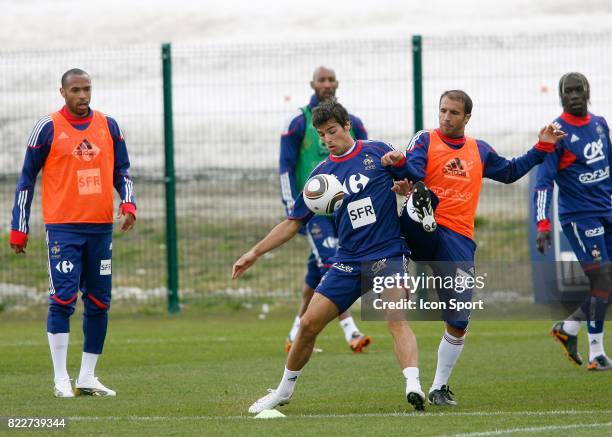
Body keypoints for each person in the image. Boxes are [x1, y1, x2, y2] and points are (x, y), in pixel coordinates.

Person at [234, 100, 427, 413]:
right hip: (348, 260)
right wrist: (254, 253)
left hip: (388, 253)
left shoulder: (377, 151)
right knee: (309, 324)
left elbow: (416, 178)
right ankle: (282, 391)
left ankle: (413, 385)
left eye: (332, 131)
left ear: (347, 125)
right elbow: (293, 221)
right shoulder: (321, 176)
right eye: (322, 135)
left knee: (394, 318)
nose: (327, 140)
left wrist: (402, 168)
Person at [383, 90, 564, 406]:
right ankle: (418, 211)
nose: (446, 117)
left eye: (454, 113)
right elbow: (411, 170)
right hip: (425, 228)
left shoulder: (478, 150)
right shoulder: (426, 140)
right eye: (442, 110)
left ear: (467, 117)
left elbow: (509, 172)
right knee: (422, 195)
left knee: (459, 320)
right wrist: (398, 166)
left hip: (458, 239)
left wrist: (542, 147)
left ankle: (439, 387)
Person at [9, 68, 137, 397]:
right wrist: (19, 228)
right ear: (62, 93)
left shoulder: (109, 126)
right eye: (76, 90)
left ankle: (87, 376)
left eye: (87, 89)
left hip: (100, 229)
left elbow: (122, 170)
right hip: (63, 229)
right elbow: (26, 179)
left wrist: (129, 203)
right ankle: (60, 378)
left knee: (98, 302)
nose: (83, 95)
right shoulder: (47, 128)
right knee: (62, 300)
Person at [279, 66, 370, 353]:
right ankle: (351, 331)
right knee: (332, 263)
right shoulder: (297, 121)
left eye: (331, 79)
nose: (327, 84)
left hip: (344, 212)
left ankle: (296, 332)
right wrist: (292, 206)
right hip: (313, 211)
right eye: (322, 80)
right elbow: (285, 167)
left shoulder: (352, 122)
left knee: (315, 272)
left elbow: (367, 161)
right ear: (312, 84)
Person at [533, 72, 611, 371]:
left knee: (607, 283)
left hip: (607, 211)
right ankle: (596, 353)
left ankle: (568, 329)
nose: (575, 95)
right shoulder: (558, 134)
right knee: (602, 279)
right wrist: (543, 225)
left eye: (579, 90)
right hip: (580, 218)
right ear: (561, 96)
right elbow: (543, 182)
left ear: (588, 91)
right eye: (569, 91)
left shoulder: (600, 124)